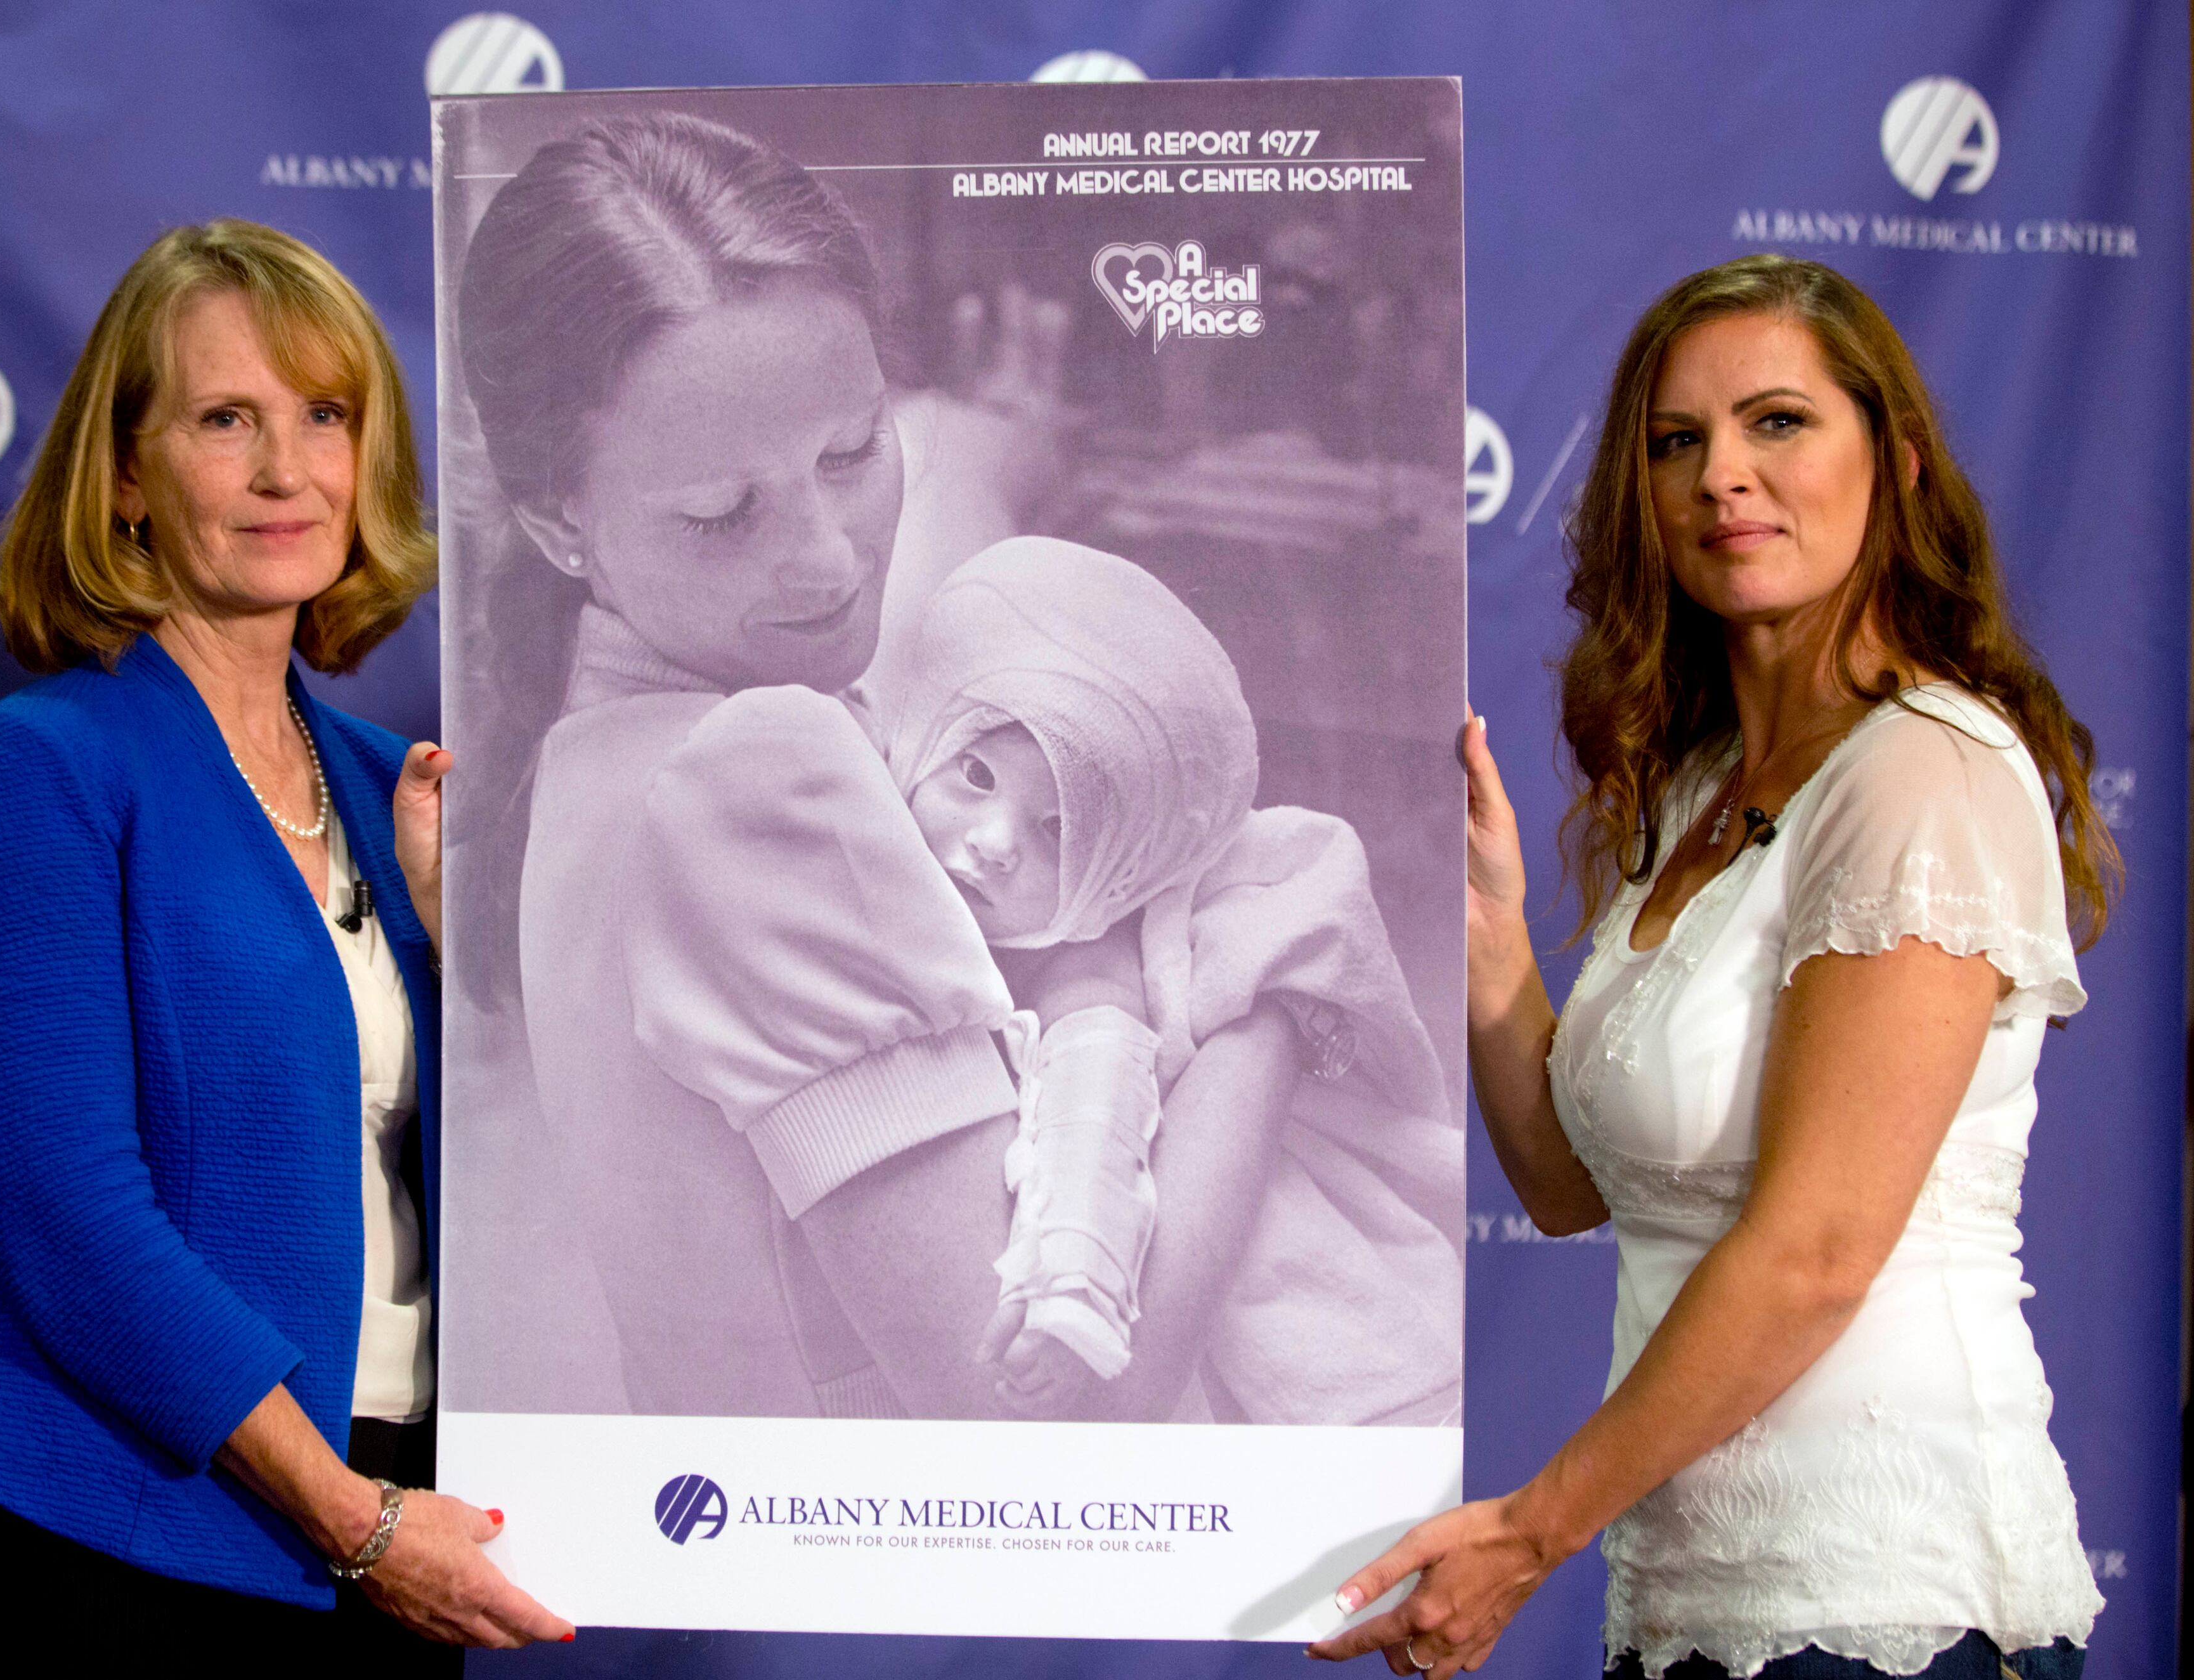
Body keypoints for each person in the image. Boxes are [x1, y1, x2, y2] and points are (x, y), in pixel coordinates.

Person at [1312, 254, 2112, 1678]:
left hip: (1890, 1613)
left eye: (1778, 423)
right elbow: (1568, 1185)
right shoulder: (1694, 789)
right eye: (1678, 442)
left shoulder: (1923, 765)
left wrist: (1526, 1533)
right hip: (1693, 1611)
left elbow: (1816, 1252)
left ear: (1900, 464)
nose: (1721, 477)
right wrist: (1491, 929)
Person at [451, 110, 1301, 1425]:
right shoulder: (755, 772)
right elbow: (1049, 1415)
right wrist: (1269, 1012)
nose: (833, 560)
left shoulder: (587, 761)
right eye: (723, 514)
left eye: (851, 454)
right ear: (560, 524)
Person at [0, 219, 575, 1668]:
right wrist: (353, 1519)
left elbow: (543, 1178)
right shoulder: (42, 772)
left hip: (398, 1502)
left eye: (325, 417)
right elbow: (73, 1219)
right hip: (118, 1533)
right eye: (228, 420)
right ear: (128, 476)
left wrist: (478, 979)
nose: (289, 471)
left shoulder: (405, 786)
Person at [883, 535, 1462, 1423]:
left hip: (1225, 1313)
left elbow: (1094, 1123)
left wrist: (1074, 1297)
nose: (995, 842)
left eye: (1055, 830)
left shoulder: (1088, 958)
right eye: (976, 773)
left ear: (1116, 864)